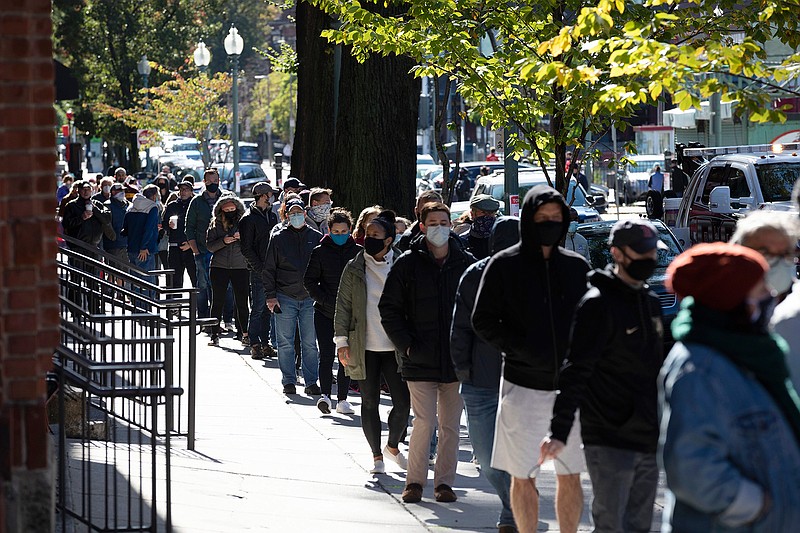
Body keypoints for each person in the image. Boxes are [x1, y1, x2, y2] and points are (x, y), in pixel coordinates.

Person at [472, 185, 589, 533]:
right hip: (522, 387)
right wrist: (522, 347)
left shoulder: (576, 267)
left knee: (571, 473)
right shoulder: (503, 265)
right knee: (522, 474)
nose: (551, 224)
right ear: (528, 220)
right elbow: (483, 320)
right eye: (543, 219)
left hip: (570, 392)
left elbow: (591, 322)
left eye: (557, 219)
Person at [660, 243, 800, 531]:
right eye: (761, 290)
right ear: (731, 301)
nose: (771, 297)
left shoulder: (751, 354)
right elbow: (690, 467)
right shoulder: (699, 369)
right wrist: (753, 504)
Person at [540, 219, 666, 533]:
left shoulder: (650, 302)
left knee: (640, 525)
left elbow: (657, 368)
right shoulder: (596, 305)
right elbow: (576, 370)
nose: (649, 260)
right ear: (617, 254)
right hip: (608, 435)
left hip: (648, 433)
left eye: (652, 253)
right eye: (641, 253)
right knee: (611, 524)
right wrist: (559, 431)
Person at [379, 201, 476, 504]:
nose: (439, 228)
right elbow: (389, 308)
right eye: (432, 222)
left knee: (450, 425)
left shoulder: (467, 263)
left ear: (452, 224)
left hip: (456, 360)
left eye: (444, 222)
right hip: (419, 357)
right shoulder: (408, 263)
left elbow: (479, 310)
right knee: (424, 422)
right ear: (422, 227)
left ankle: (444, 483)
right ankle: (415, 482)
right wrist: (406, 345)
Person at [450, 216, 520, 533]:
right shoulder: (474, 276)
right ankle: (515, 502)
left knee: (520, 456)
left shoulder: (534, 277)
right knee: (487, 457)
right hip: (480, 383)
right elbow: (460, 329)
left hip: (524, 383)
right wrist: (464, 372)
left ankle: (512, 511)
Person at [335, 210, 410, 472]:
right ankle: (377, 456)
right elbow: (342, 306)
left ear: (389, 240)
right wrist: (341, 342)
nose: (369, 239)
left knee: (403, 404)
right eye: (367, 234)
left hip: (395, 347)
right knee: (369, 402)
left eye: (376, 235)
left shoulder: (402, 264)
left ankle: (392, 446)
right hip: (363, 345)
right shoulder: (354, 267)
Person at [263, 198, 323, 396]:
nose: (296, 215)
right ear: (286, 216)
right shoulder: (278, 238)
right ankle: (288, 380)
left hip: (309, 298)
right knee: (285, 342)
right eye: (292, 212)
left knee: (309, 343)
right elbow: (269, 268)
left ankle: (311, 381)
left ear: (305, 214)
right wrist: (271, 296)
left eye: (299, 212)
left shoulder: (315, 236)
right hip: (284, 295)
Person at [304, 208, 361, 414]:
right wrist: (326, 300)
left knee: (345, 356)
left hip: (350, 314)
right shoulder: (319, 251)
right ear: (329, 230)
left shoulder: (358, 252)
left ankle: (343, 399)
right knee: (326, 355)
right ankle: (325, 396)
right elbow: (309, 281)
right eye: (335, 232)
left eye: (343, 231)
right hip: (325, 311)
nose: (340, 235)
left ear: (350, 230)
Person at [239, 182, 279, 360]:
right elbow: (246, 248)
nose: (272, 197)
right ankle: (254, 343)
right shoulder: (248, 219)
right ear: (263, 196)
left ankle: (265, 342)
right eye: (270, 194)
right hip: (259, 270)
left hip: (273, 268)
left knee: (267, 309)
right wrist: (261, 269)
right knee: (257, 307)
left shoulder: (271, 216)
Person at [205, 196, 249, 347]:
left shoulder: (244, 223)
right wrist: (223, 241)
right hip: (219, 266)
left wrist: (242, 238)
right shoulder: (215, 224)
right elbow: (209, 246)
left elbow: (252, 244)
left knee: (242, 302)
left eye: (233, 209)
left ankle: (244, 333)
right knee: (217, 301)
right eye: (227, 210)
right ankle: (214, 333)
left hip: (240, 266)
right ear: (221, 210)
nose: (230, 212)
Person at [185, 168, 230, 318]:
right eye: (209, 181)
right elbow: (189, 227)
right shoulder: (197, 201)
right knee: (202, 285)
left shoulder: (226, 198)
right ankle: (203, 317)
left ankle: (226, 318)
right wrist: (195, 250)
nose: (213, 184)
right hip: (202, 251)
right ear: (204, 182)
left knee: (225, 286)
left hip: (223, 250)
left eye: (215, 181)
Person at [730, 211, 799, 298]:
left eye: (786, 253)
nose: (777, 261)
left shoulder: (796, 302)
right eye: (765, 253)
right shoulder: (716, 300)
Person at [162, 179, 197, 304]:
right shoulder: (172, 205)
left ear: (191, 192)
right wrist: (168, 225)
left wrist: (191, 244)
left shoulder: (195, 204)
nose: (183, 192)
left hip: (191, 247)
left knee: (195, 277)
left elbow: (200, 227)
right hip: (174, 246)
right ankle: (175, 305)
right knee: (175, 279)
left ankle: (198, 305)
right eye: (181, 189)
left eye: (186, 189)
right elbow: (164, 223)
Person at [122, 184, 160, 274]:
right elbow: (148, 229)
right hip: (145, 250)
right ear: (154, 196)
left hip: (132, 247)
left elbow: (125, 228)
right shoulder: (152, 207)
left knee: (135, 281)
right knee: (147, 281)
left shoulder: (131, 207)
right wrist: (143, 247)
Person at [462, 194, 500, 260]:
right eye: (483, 212)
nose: (487, 216)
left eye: (491, 213)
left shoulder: (501, 238)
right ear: (472, 213)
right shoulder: (463, 241)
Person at [103, 183, 129, 264]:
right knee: (113, 272)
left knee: (125, 272)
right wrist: (113, 237)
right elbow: (106, 223)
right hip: (113, 245)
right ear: (113, 192)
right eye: (120, 191)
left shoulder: (127, 204)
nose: (123, 193)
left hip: (126, 243)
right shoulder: (108, 205)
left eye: (123, 190)